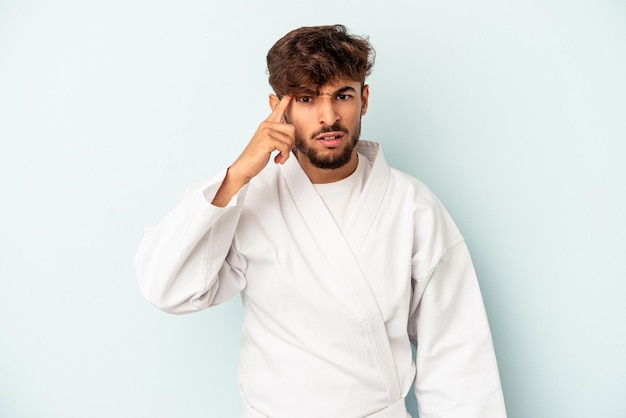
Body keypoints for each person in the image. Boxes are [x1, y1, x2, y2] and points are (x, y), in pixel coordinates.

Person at [135, 24, 507, 418]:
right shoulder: (246, 199)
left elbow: (458, 356)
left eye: (342, 95)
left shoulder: (412, 206)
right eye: (307, 98)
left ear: (363, 99)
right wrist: (238, 175)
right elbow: (166, 287)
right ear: (278, 107)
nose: (328, 116)